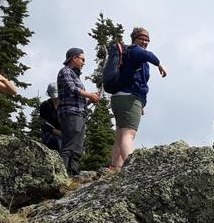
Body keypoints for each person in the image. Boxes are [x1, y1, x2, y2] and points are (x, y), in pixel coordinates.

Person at [109, 26, 168, 169]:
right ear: (134, 39)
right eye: (142, 39)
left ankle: (115, 167)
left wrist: (140, 104)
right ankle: (134, 169)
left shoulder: (130, 55)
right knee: (128, 134)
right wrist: (159, 64)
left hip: (122, 98)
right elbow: (148, 55)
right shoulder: (134, 50)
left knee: (121, 134)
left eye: (147, 40)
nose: (145, 42)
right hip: (129, 97)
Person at [57, 47, 100, 176]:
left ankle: (73, 174)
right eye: (82, 59)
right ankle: (62, 175)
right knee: (70, 145)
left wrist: (89, 101)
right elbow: (72, 89)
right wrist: (90, 95)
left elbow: (77, 98)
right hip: (70, 113)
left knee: (77, 147)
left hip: (79, 113)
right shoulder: (65, 71)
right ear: (74, 58)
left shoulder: (75, 75)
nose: (83, 62)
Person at [39, 83, 61, 152]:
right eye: (53, 96)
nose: (55, 98)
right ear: (49, 94)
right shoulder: (45, 106)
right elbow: (43, 122)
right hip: (49, 133)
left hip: (64, 134)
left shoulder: (64, 106)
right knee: (55, 142)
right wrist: (54, 130)